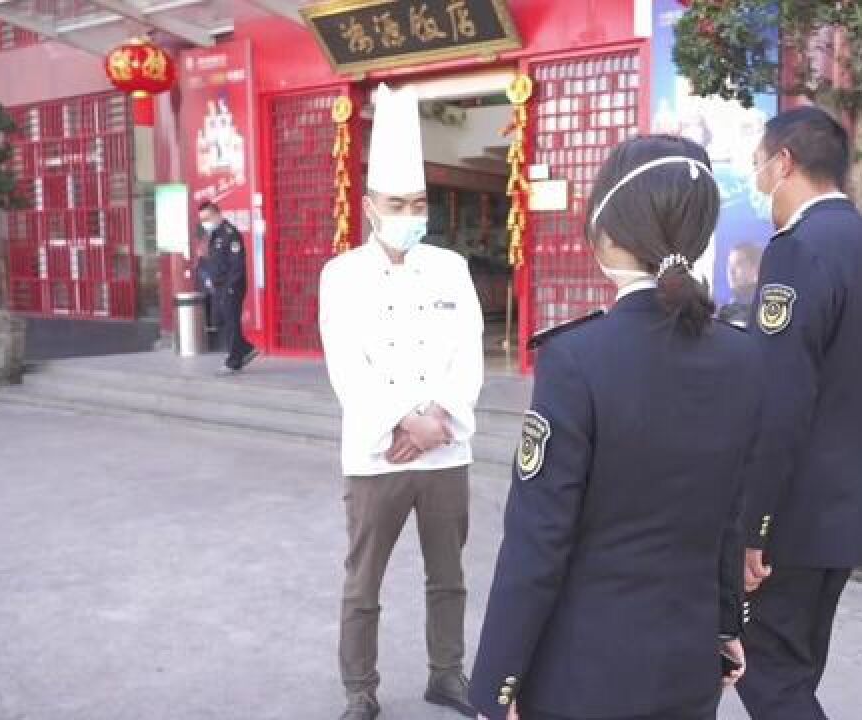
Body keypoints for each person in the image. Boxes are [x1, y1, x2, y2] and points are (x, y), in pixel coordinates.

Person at [470, 135, 766, 720]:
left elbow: (537, 542)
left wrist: (497, 683)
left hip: (584, 671)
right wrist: (724, 625)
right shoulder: (744, 356)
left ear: (608, 234)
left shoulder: (577, 358)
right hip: (686, 660)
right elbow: (730, 513)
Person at [737, 107, 862, 719]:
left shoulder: (797, 251)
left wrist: (753, 524)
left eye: (759, 168)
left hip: (794, 521)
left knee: (769, 678)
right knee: (798, 669)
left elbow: (778, 399)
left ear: (784, 162)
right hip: (849, 509)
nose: (760, 185)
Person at [318, 83, 484, 720]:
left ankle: (448, 674)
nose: (410, 213)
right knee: (363, 585)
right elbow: (348, 366)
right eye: (396, 203)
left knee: (450, 577)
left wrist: (438, 419)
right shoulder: (343, 274)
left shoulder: (450, 267)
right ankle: (360, 689)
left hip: (445, 452)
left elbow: (467, 351)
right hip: (376, 451)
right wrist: (403, 421)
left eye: (418, 203)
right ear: (368, 207)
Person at [199, 201, 258, 373]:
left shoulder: (230, 234)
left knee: (231, 323)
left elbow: (237, 265)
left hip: (230, 286)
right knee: (220, 321)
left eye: (207, 218)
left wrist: (231, 287)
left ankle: (233, 361)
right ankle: (246, 349)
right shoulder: (214, 235)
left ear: (217, 215)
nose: (205, 222)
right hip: (218, 287)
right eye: (202, 219)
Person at [717, 242, 766, 328]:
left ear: (755, 269)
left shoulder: (767, 310)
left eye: (738, 264)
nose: (731, 271)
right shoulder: (725, 311)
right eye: (729, 264)